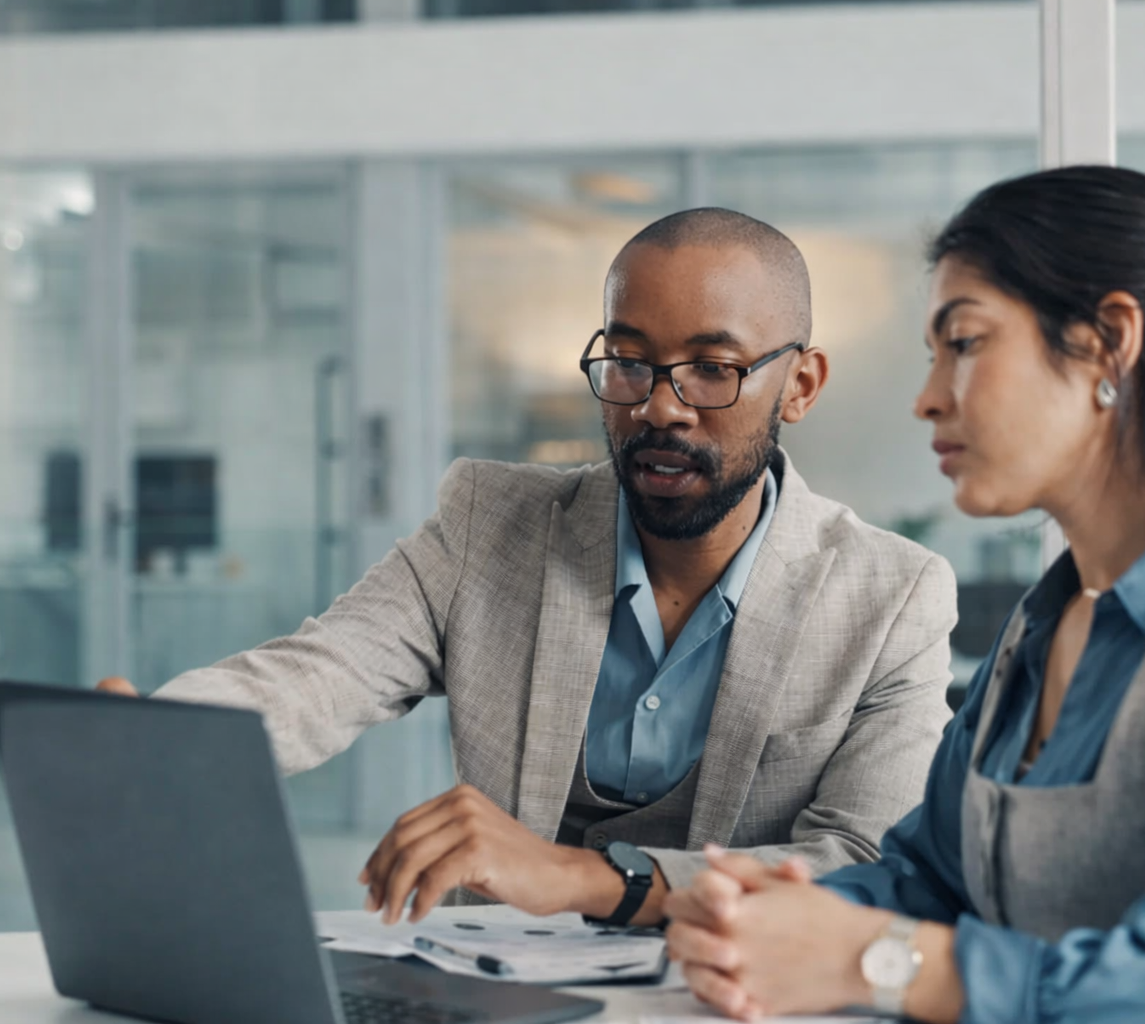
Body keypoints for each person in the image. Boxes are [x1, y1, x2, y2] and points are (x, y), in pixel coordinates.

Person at [99, 208, 959, 929]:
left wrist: (594, 879)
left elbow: (859, 861)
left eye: (712, 370)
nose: (660, 406)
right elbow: (320, 672)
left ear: (800, 386)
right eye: (628, 362)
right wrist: (167, 735)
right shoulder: (492, 522)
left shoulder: (893, 597)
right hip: (496, 993)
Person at [663, 165, 1145, 1024]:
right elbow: (934, 879)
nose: (928, 399)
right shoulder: (1044, 625)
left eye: (965, 343)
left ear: (1106, 340)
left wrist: (878, 962)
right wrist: (784, 909)